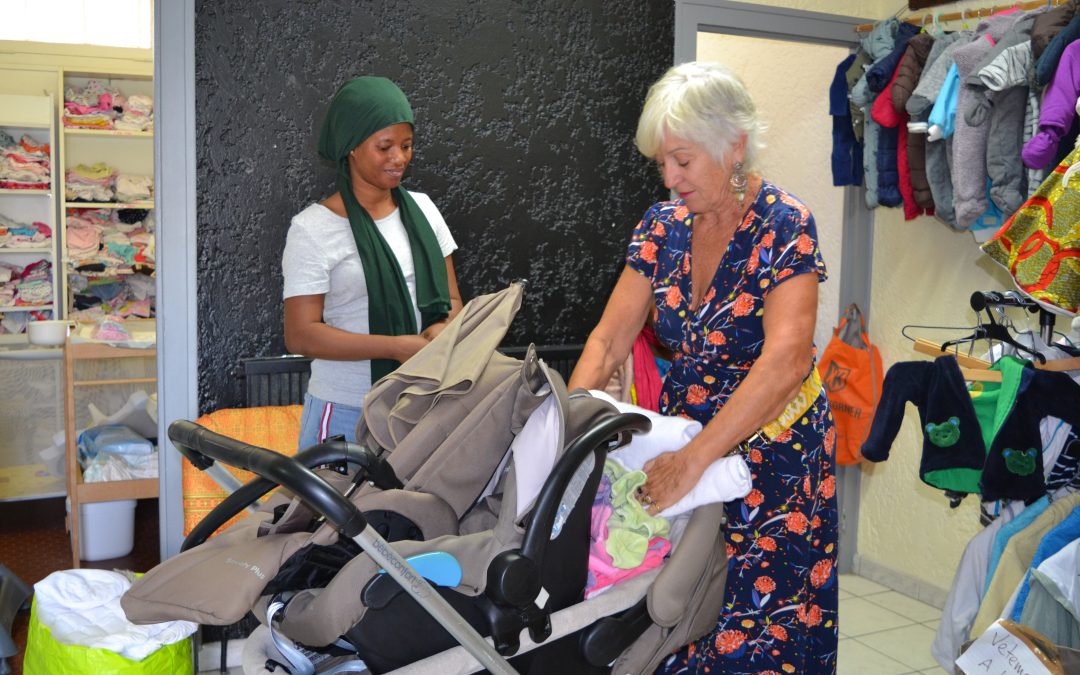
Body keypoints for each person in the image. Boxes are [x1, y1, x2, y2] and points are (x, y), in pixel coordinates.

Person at [568, 61, 838, 673]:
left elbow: (787, 359)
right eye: (661, 162)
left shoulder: (784, 224)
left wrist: (697, 460)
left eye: (683, 161)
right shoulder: (661, 228)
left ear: (733, 145)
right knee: (678, 615)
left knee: (766, 628)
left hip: (774, 458)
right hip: (685, 450)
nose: (670, 177)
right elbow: (610, 339)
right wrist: (565, 434)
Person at [282, 76, 462, 450]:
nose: (399, 158)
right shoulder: (313, 229)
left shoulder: (424, 211)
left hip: (422, 406)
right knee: (335, 510)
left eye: (407, 145)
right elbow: (300, 334)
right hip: (346, 411)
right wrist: (394, 347)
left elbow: (453, 301)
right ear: (352, 148)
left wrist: (442, 330)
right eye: (385, 147)